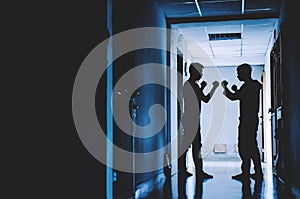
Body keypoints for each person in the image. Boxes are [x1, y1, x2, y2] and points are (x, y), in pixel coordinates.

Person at [221, 63, 263, 181]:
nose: (238, 76)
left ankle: (246, 172)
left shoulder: (248, 87)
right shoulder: (254, 86)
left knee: (244, 147)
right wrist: (237, 90)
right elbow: (241, 96)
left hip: (246, 121)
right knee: (252, 146)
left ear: (245, 73)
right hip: (252, 120)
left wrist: (224, 87)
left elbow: (232, 97)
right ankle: (256, 171)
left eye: (239, 73)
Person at [179, 62, 219, 179]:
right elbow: (205, 99)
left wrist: (202, 87)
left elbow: (196, 98)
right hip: (192, 120)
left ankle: (184, 170)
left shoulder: (189, 85)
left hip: (189, 119)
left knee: (188, 145)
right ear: (195, 72)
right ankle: (198, 172)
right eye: (200, 72)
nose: (201, 74)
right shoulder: (192, 85)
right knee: (195, 146)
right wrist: (214, 87)